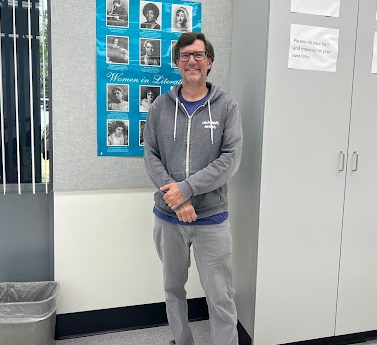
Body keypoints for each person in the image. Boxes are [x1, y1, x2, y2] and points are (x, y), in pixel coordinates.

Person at [143, 32, 242, 345]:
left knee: (220, 295)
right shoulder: (160, 106)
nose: (192, 61)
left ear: (209, 62)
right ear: (177, 64)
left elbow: (230, 160)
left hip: (212, 219)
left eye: (198, 55)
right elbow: (151, 156)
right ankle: (181, 340)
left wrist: (186, 190)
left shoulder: (227, 107)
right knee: (173, 289)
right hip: (169, 219)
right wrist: (177, 200)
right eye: (185, 56)